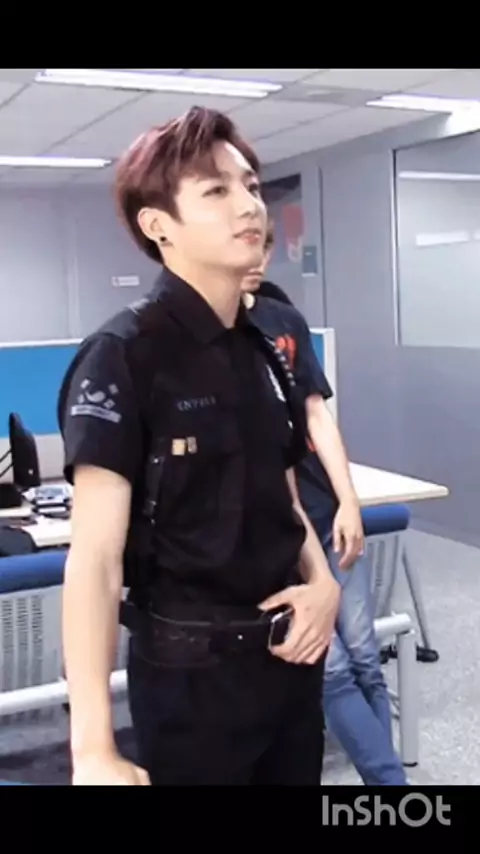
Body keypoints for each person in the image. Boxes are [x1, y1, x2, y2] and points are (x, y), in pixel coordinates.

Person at [57, 106, 341, 786]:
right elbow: (93, 561)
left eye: (251, 186)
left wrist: (323, 583)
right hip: (192, 681)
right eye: (216, 190)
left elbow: (281, 491)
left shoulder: (265, 348)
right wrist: (92, 749)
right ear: (159, 226)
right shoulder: (124, 354)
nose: (249, 206)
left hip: (291, 667)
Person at [242, 224, 408, 786]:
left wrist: (349, 501)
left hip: (324, 507)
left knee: (363, 657)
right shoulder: (214, 333)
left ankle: (383, 784)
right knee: (331, 668)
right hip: (276, 528)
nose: (256, 256)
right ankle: (395, 789)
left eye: (265, 246)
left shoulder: (283, 322)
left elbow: (317, 415)